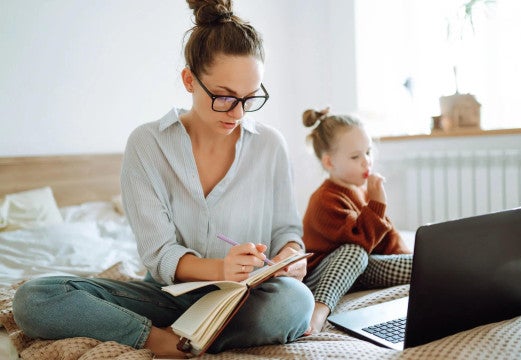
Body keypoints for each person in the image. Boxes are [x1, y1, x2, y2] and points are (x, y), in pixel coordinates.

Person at [12, 1, 314, 357]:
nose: (237, 112)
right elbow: (159, 254)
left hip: (246, 301)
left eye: (249, 98)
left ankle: (195, 337)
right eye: (224, 97)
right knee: (34, 299)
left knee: (295, 302)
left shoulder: (270, 145)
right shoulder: (148, 144)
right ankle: (166, 341)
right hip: (167, 298)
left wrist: (291, 256)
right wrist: (221, 268)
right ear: (189, 80)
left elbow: (286, 230)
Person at [301, 108, 412, 334]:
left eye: (368, 152)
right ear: (329, 162)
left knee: (420, 265)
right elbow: (361, 239)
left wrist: (403, 256)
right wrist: (377, 204)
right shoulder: (324, 199)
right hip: (322, 273)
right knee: (355, 252)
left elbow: (386, 236)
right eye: (355, 156)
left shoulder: (362, 191)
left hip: (359, 270)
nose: (366, 162)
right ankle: (319, 310)